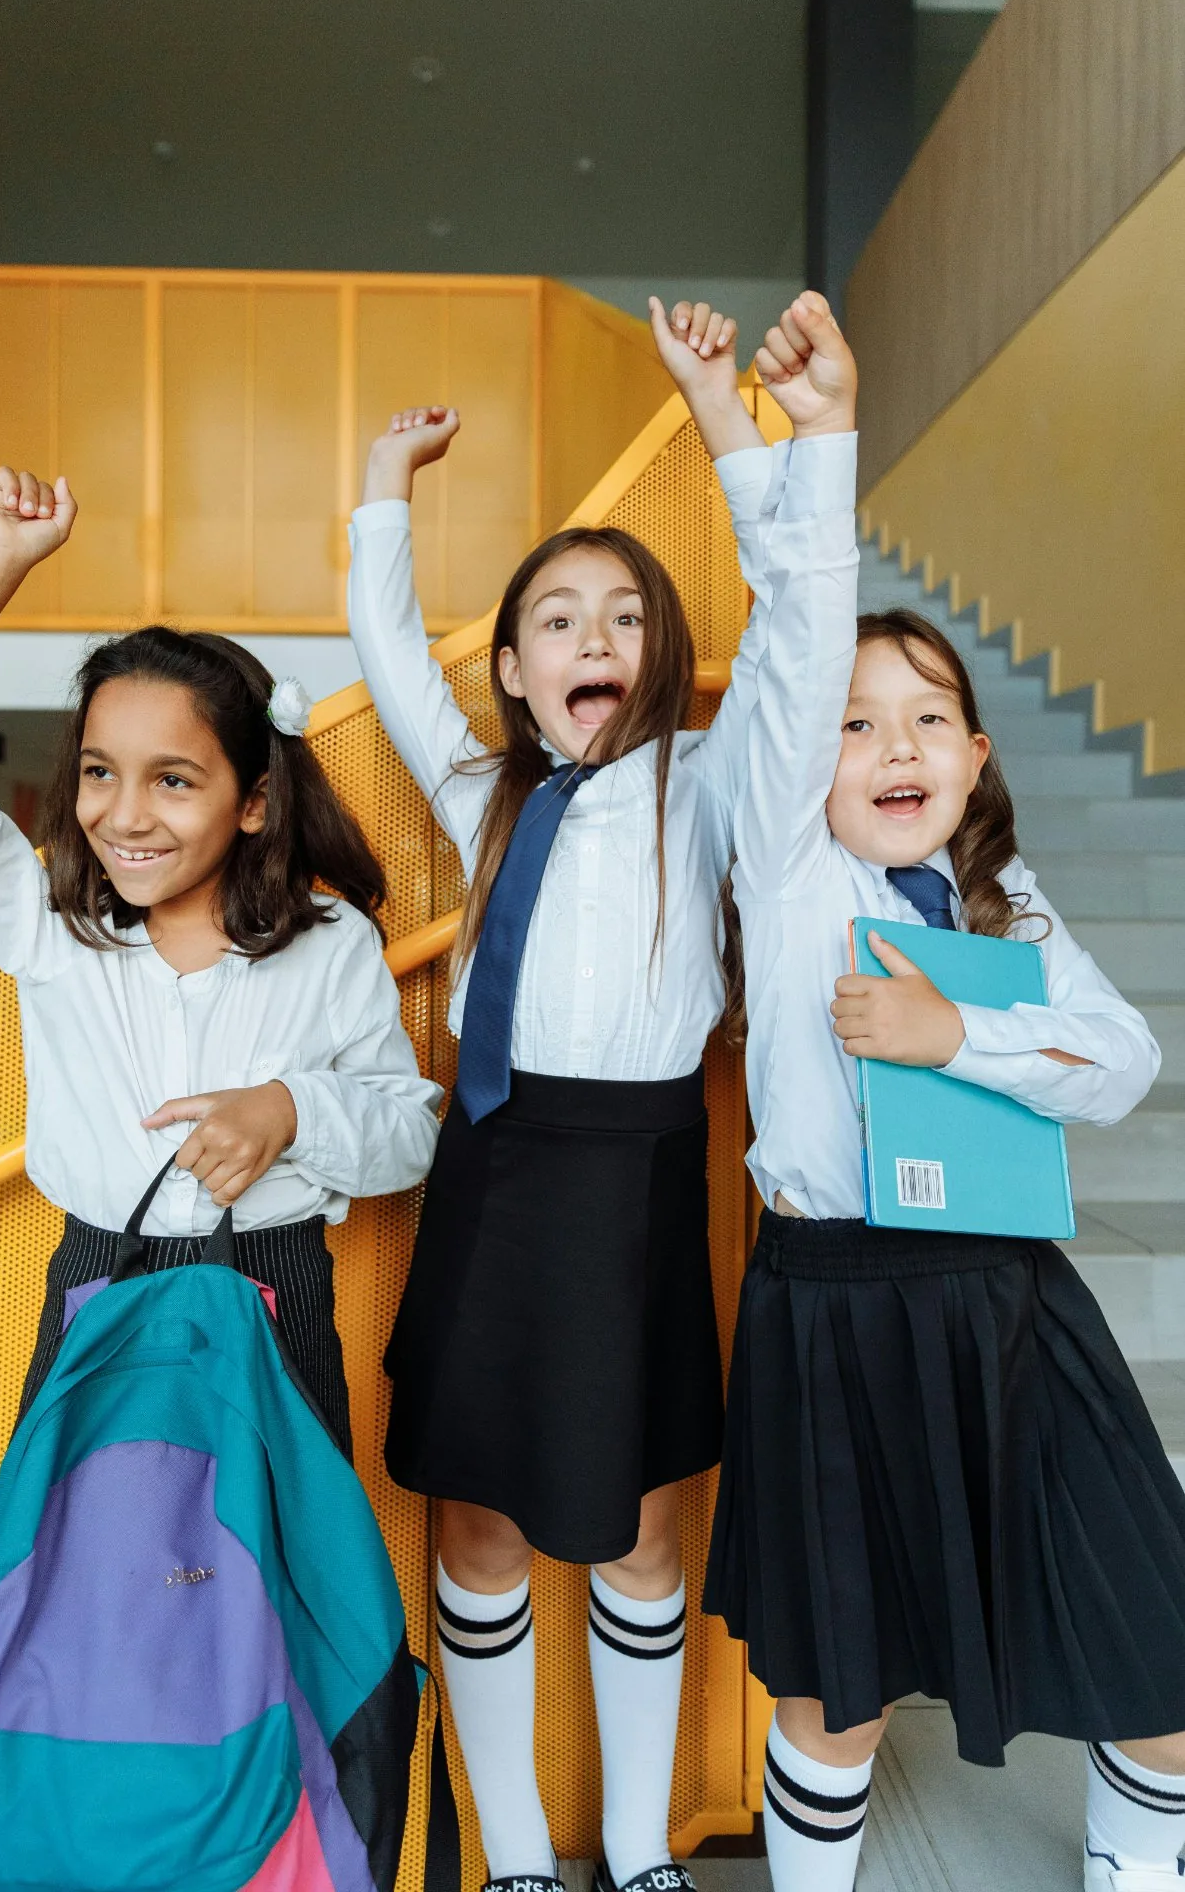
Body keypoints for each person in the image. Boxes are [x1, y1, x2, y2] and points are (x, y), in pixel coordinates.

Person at [701, 292, 1185, 1892]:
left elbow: (1123, 1064)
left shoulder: (1004, 906)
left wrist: (950, 1039)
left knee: (1151, 1635)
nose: (890, 745)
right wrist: (813, 441)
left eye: (925, 721)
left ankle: (1140, 1869)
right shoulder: (781, 869)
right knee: (838, 1686)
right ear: (803, 760)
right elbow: (789, 646)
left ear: (976, 759)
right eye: (852, 725)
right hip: (833, 1302)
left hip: (1012, 1302)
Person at [0, 459, 442, 1585]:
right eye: (98, 773)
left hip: (275, 1295)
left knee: (273, 1598)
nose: (124, 814)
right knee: (73, 1590)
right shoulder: (49, 927)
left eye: (174, 780)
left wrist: (292, 1110)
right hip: (98, 1286)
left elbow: (409, 1131)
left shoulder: (328, 944)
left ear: (253, 799)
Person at [344, 300, 760, 1892]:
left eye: (623, 617)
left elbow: (796, 629)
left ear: (659, 659)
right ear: (512, 672)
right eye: (557, 622)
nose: (593, 641)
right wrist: (387, 489)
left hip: (644, 1181)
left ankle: (640, 1850)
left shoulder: (712, 783)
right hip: (495, 1181)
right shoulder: (480, 796)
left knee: (648, 1525)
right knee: (479, 1527)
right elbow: (388, 654)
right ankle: (515, 1852)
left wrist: (723, 415)